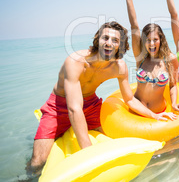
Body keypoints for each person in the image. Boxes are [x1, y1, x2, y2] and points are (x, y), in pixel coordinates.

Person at [28, 21, 133, 174]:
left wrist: (154, 116)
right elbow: (74, 108)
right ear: (98, 40)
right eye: (105, 38)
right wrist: (88, 153)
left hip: (90, 104)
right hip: (59, 107)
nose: (109, 43)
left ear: (120, 46)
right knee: (37, 163)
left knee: (114, 135)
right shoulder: (76, 61)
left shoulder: (119, 67)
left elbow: (130, 99)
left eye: (115, 40)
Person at [116, 0, 179, 117]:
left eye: (155, 40)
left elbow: (172, 85)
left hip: (160, 111)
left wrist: (173, 104)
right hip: (137, 111)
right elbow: (134, 25)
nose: (151, 44)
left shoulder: (169, 59)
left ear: (161, 40)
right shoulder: (140, 56)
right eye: (148, 40)